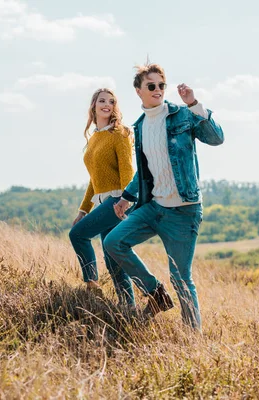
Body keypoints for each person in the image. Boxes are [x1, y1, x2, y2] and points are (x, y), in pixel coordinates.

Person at [103, 64, 225, 330]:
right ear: (139, 91)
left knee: (181, 279)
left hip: (183, 211)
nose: (157, 90)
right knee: (113, 242)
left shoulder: (181, 115)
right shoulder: (140, 126)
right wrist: (126, 196)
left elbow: (216, 138)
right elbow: (146, 172)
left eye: (161, 85)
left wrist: (193, 103)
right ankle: (155, 293)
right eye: (151, 86)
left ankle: (194, 340)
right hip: (154, 207)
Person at [69, 88, 136, 306]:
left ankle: (92, 285)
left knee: (78, 235)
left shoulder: (119, 133)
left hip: (117, 201)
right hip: (101, 201)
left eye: (111, 101)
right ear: (94, 105)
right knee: (112, 258)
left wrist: (126, 201)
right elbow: (94, 179)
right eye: (102, 101)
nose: (107, 104)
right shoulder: (95, 138)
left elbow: (127, 170)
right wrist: (83, 210)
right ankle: (128, 307)